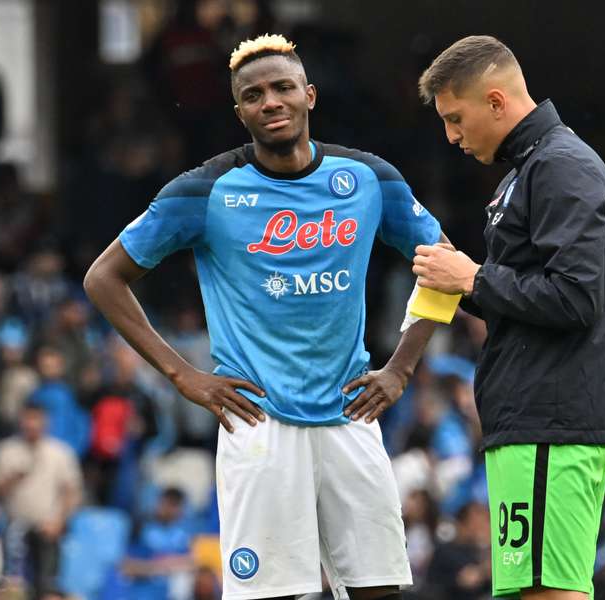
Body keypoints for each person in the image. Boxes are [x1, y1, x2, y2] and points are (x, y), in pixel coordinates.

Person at [84, 34, 446, 600]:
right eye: (254, 95)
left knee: (380, 590)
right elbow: (103, 278)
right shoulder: (205, 189)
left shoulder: (370, 179)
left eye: (282, 88)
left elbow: (444, 264)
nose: (270, 102)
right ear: (239, 112)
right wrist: (184, 374)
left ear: (310, 94)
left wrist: (400, 367)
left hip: (351, 413)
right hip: (257, 421)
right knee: (272, 595)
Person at [412, 35, 605, 599]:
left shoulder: (561, 166)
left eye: (455, 118)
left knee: (545, 593)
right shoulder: (531, 168)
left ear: (495, 101)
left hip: (551, 423)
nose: (451, 136)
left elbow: (577, 298)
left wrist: (473, 277)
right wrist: (463, 283)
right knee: (533, 590)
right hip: (533, 422)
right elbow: (531, 294)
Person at [0, 402, 83, 598]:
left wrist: (59, 522)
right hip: (15, 530)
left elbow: (72, 491)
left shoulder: (60, 452)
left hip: (47, 529)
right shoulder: (7, 450)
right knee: (13, 588)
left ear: (45, 422)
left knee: (46, 586)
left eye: (36, 419)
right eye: (27, 419)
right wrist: (12, 479)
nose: (31, 424)